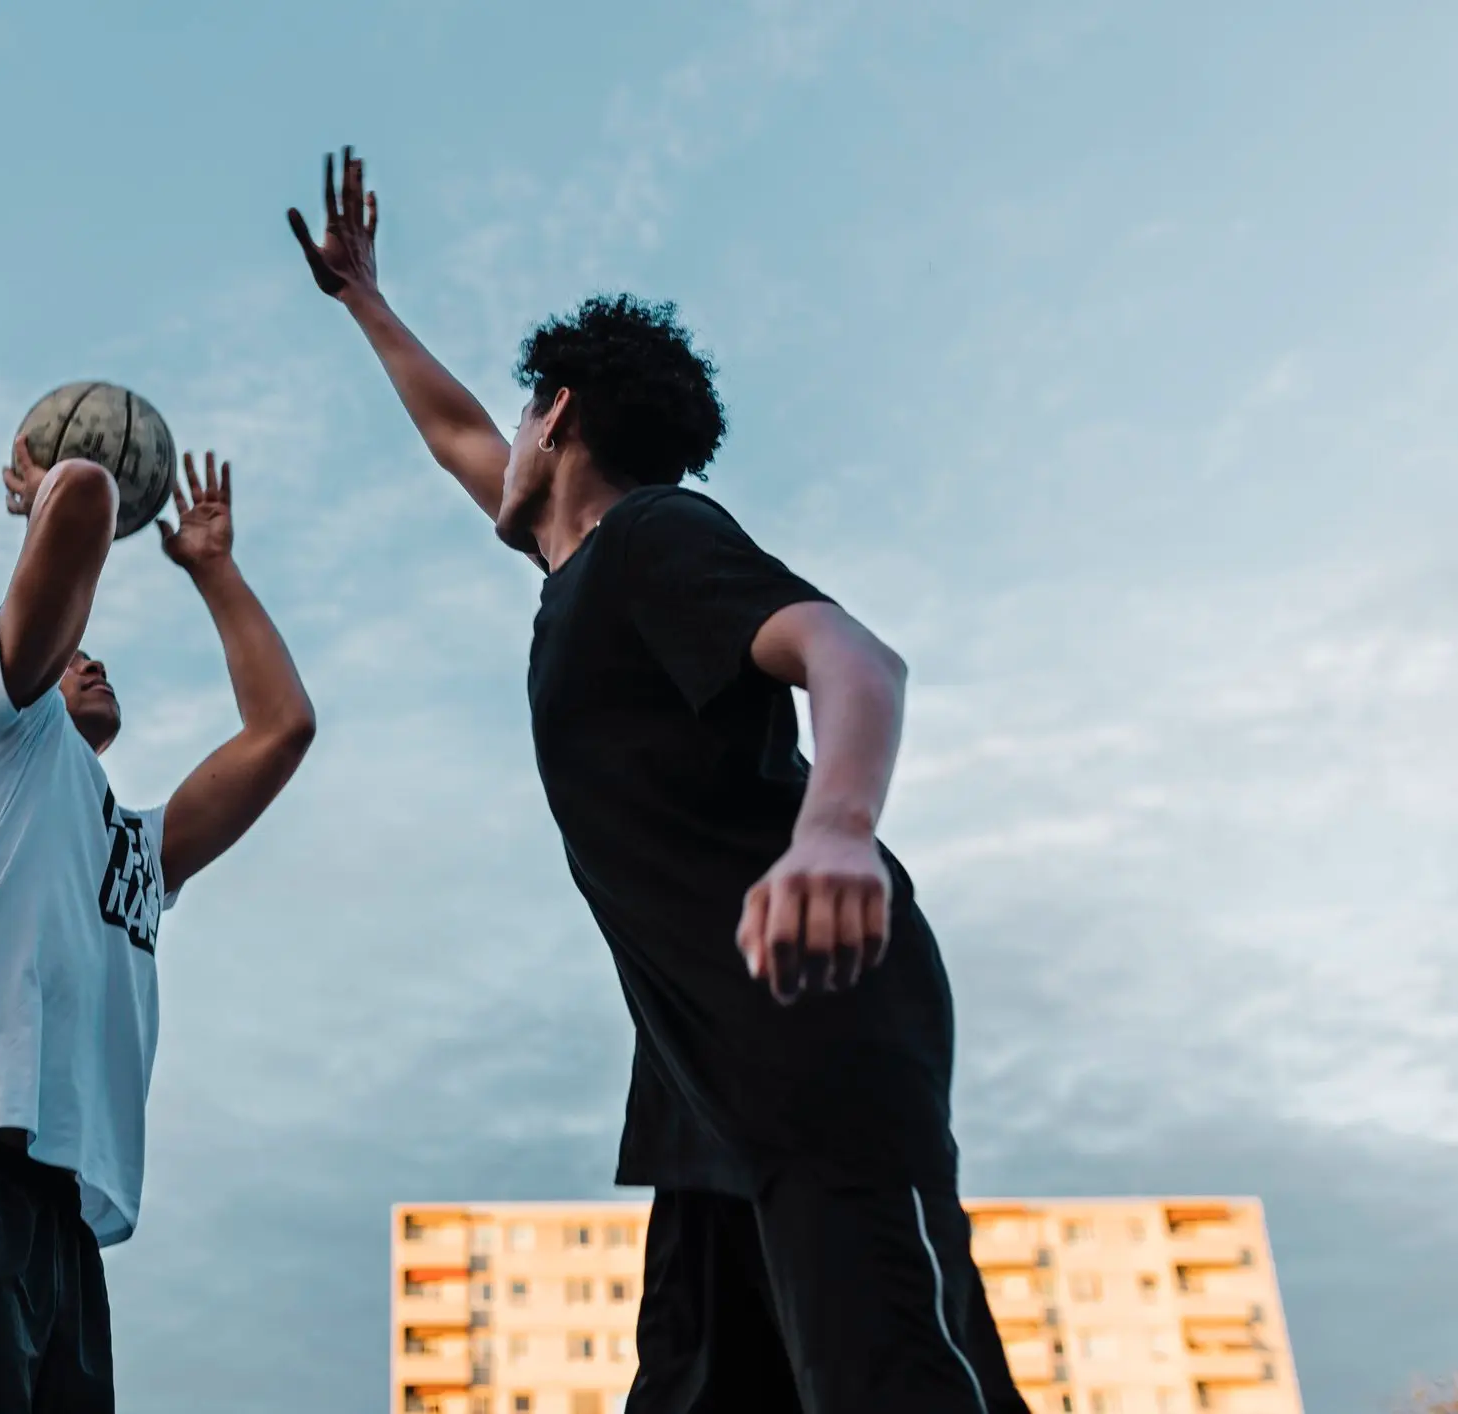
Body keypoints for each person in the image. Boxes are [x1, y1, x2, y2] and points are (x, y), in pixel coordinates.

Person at [290, 149, 1025, 1414]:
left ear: (561, 415)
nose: (501, 439)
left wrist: (838, 830)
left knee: (892, 1378)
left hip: (814, 1009)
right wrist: (365, 300)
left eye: (525, 415)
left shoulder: (655, 537)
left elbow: (852, 655)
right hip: (702, 1085)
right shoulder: (581, 571)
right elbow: (460, 434)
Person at [0, 443, 315, 1412]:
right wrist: (45, 502)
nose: (93, 657)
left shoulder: (134, 848)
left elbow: (280, 728)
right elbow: (84, 492)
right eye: (70, 651)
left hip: (54, 1217)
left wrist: (215, 570)